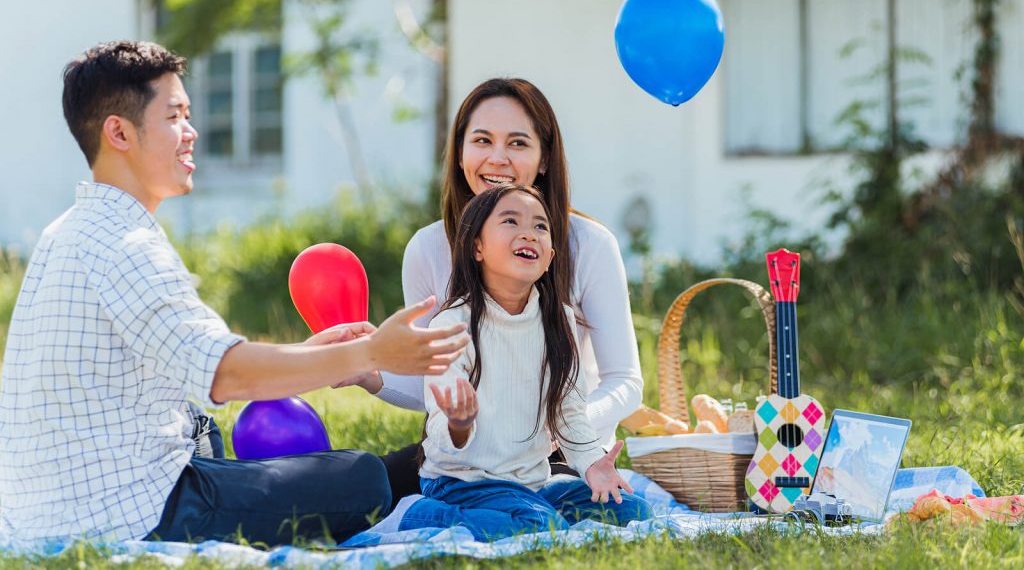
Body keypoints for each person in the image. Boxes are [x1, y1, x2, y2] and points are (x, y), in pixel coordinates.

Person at [0, 41, 469, 546]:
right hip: (138, 510)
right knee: (361, 478)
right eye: (175, 116)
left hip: (57, 504)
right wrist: (373, 351)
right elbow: (227, 373)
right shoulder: (126, 244)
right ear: (119, 132)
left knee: (242, 446)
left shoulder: (70, 231)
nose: (192, 132)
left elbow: (193, 366)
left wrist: (304, 356)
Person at [357, 78, 644, 507]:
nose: (497, 158)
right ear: (459, 153)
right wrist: (371, 374)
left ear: (544, 159)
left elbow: (625, 382)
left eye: (517, 143)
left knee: (573, 511)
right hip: (467, 456)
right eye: (482, 140)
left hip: (561, 456)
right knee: (362, 487)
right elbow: (438, 385)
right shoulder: (429, 248)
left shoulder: (589, 245)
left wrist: (560, 425)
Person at [388, 185, 650, 540]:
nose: (529, 233)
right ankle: (419, 514)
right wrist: (459, 425)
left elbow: (569, 413)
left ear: (550, 255)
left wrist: (591, 464)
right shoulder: (452, 324)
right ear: (476, 246)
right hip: (460, 481)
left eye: (541, 227)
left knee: (633, 511)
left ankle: (529, 510)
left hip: (532, 483)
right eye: (510, 221)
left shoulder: (559, 320)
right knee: (538, 525)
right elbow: (441, 429)